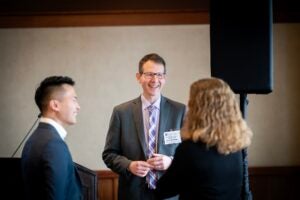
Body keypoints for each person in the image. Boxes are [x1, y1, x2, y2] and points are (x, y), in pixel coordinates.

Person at [102, 53, 186, 200]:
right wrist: (129, 165)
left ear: (164, 78)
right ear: (138, 77)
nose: (155, 80)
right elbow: (109, 155)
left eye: (159, 75)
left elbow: (191, 155)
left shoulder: (180, 111)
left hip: (170, 194)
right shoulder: (121, 112)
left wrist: (171, 161)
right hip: (133, 193)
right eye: (149, 74)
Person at [155, 77, 253, 200]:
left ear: (197, 108)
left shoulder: (190, 150)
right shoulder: (236, 146)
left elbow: (163, 190)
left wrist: (170, 163)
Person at [21, 76, 82, 200]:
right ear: (55, 105)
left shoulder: (35, 138)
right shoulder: (53, 144)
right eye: (74, 100)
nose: (78, 107)